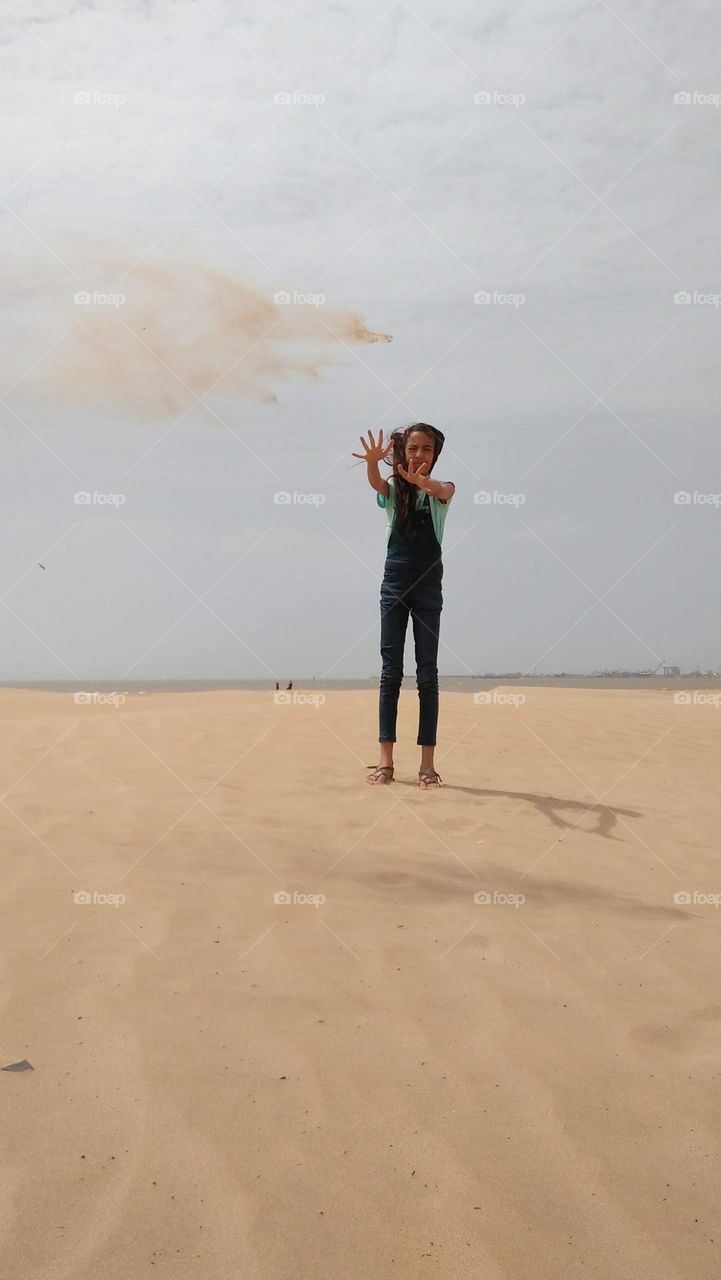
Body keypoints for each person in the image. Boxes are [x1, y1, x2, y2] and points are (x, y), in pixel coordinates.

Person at [352, 423, 455, 788]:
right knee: (390, 672)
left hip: (428, 587)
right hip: (394, 584)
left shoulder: (443, 492)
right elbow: (378, 486)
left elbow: (439, 488)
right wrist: (372, 464)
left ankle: (427, 765)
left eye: (427, 449)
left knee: (427, 674)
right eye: (413, 448)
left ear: (435, 454)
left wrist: (422, 482)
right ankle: (386, 762)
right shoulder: (394, 489)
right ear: (403, 451)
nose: (419, 455)